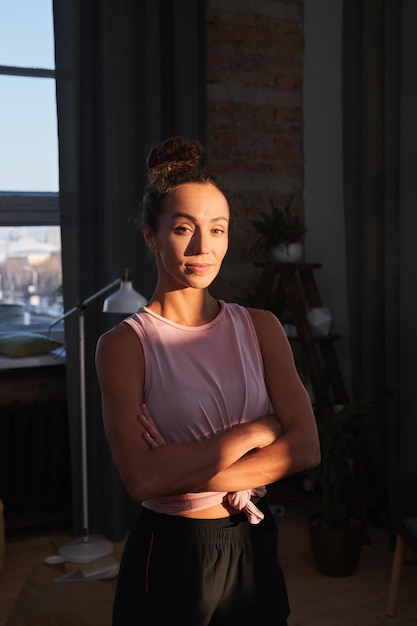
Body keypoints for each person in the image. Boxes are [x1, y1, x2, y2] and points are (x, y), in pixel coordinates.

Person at [96, 136, 320, 626]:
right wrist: (259, 432)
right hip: (170, 551)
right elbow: (142, 479)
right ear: (151, 236)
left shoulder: (260, 327)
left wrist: (176, 465)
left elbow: (305, 448)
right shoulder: (124, 346)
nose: (203, 247)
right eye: (183, 229)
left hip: (250, 541)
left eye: (217, 230)